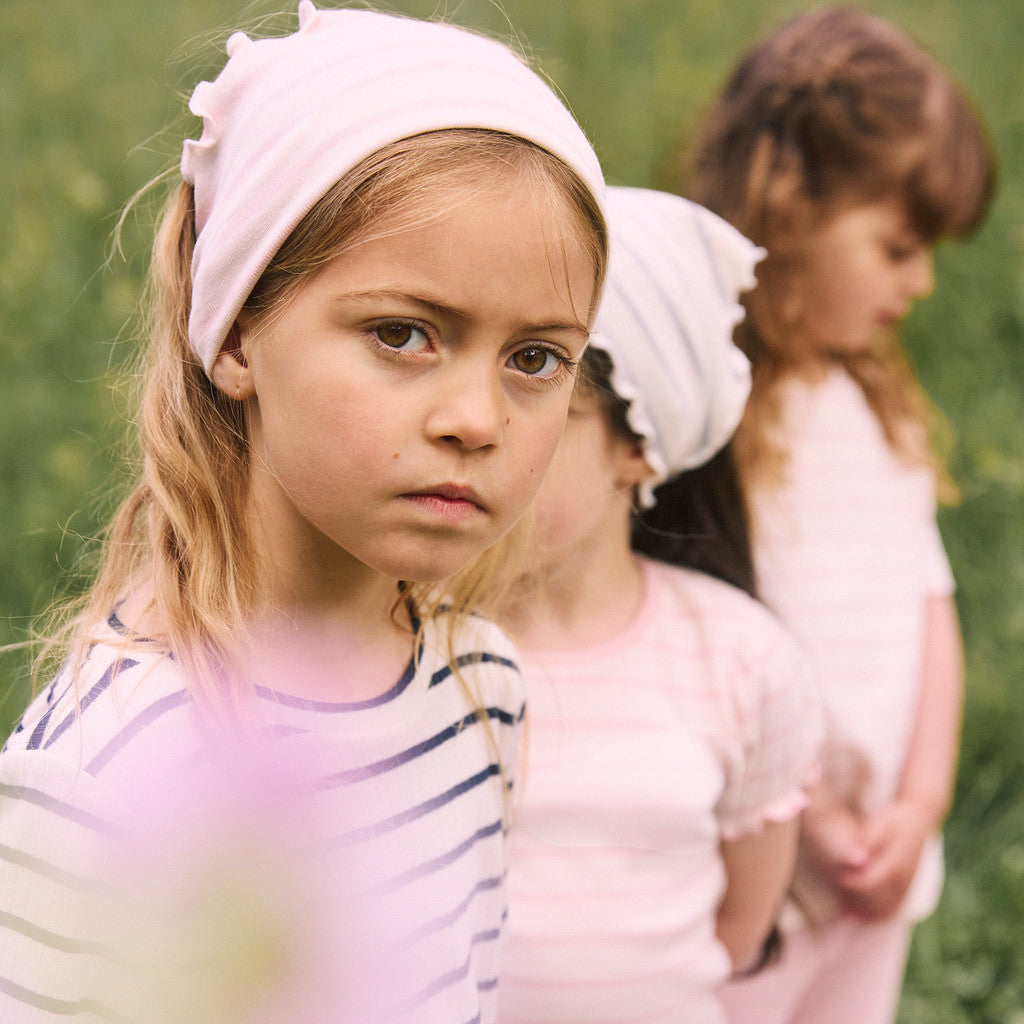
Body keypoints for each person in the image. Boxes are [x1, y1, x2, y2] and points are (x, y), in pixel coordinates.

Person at [0, 5, 609, 1022]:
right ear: (234, 332)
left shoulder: (479, 689)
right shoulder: (115, 762)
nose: (476, 418)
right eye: (404, 333)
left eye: (535, 359)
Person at [681, 7, 995, 1023]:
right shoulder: (710, 412)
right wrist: (806, 809)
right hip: (758, 862)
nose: (921, 281)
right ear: (789, 206)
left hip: (880, 858)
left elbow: (927, 604)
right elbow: (707, 621)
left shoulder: (870, 403)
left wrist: (921, 802)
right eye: (898, 247)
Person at [497, 186, 822, 1024]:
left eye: (540, 408)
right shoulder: (398, 643)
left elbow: (740, 927)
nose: (475, 433)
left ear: (637, 444)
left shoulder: (741, 659)